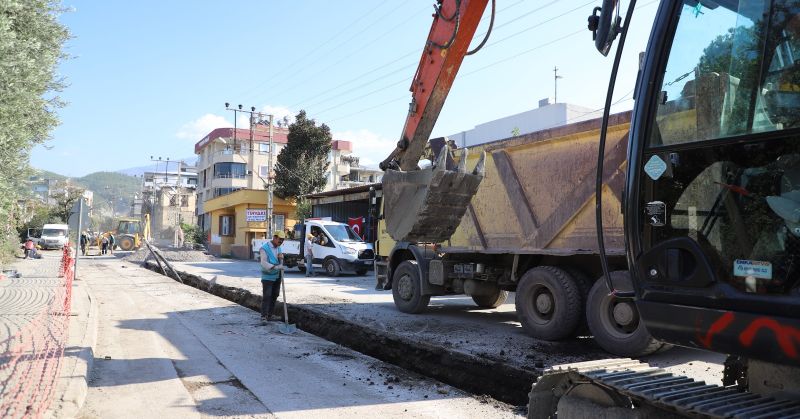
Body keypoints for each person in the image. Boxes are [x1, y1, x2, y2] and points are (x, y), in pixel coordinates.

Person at [258, 230, 285, 323]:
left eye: (283, 240)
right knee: (267, 296)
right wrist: (276, 266)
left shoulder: (278, 247)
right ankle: (263, 316)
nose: (281, 242)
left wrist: (281, 258)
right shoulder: (264, 248)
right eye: (280, 239)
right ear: (274, 237)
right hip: (267, 277)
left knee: (275, 295)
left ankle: (270, 315)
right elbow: (263, 263)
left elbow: (279, 258)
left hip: (277, 276)